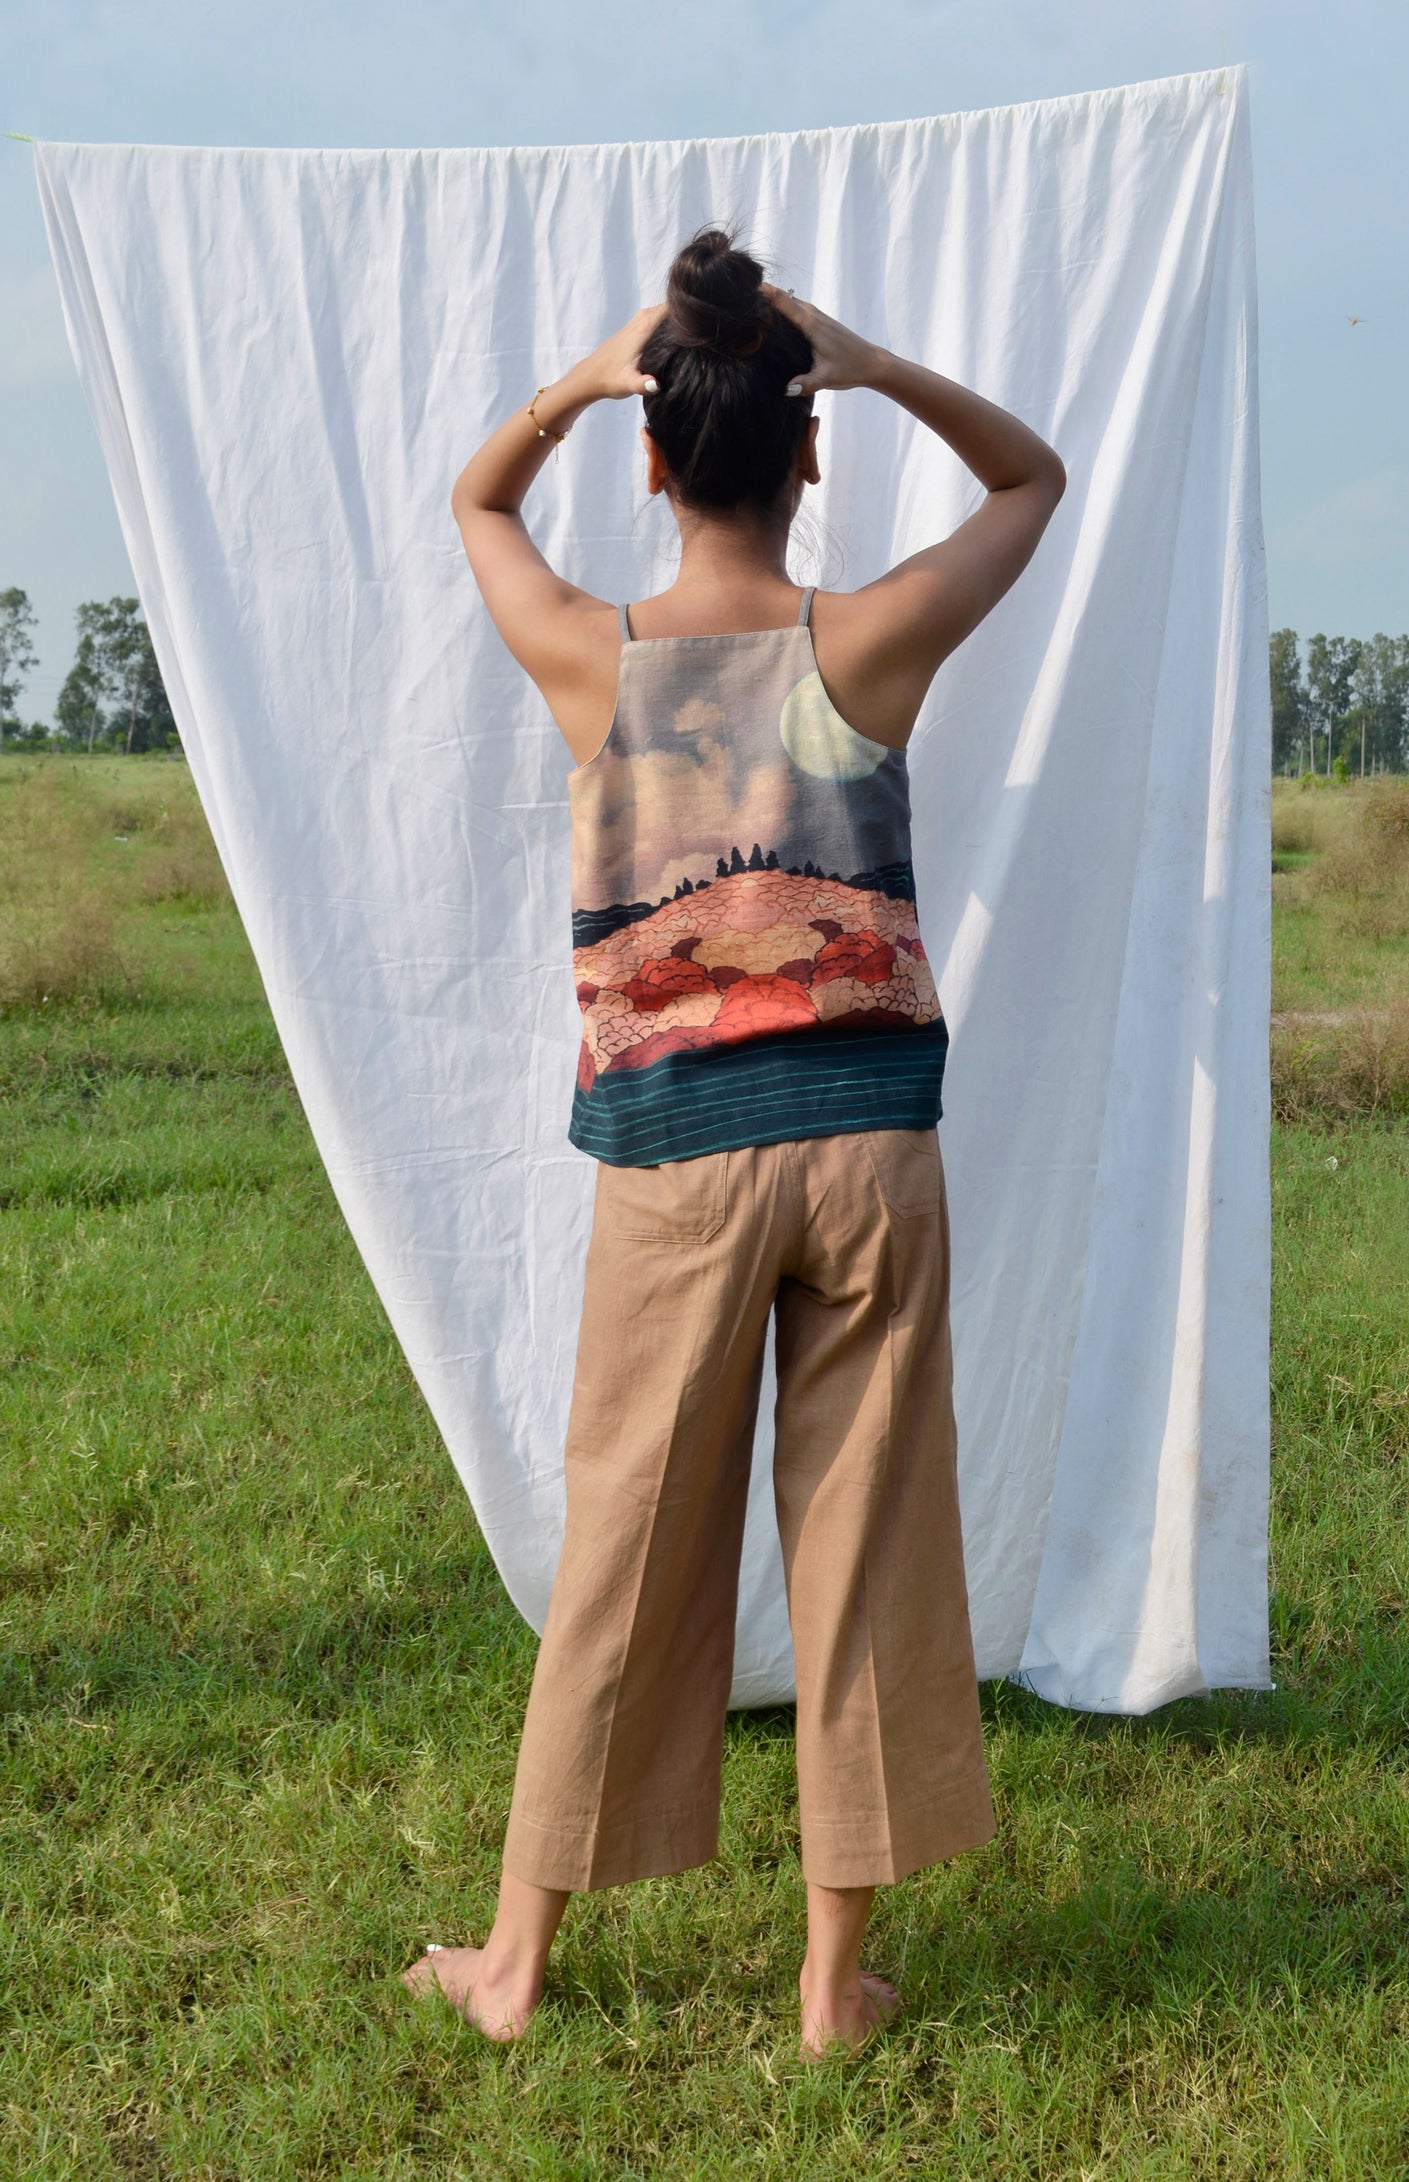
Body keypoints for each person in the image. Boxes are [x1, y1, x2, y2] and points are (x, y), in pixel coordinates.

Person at [403, 222, 1066, 2061]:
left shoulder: (589, 657)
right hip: (867, 1152)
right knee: (862, 1540)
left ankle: (517, 1967)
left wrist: (572, 382)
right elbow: (1033, 476)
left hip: (677, 1161)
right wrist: (870, 361)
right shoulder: (866, 642)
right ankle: (825, 1988)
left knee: (621, 1533)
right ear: (807, 452)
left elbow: (475, 504)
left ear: (651, 456)